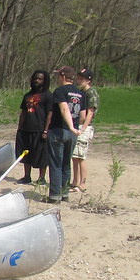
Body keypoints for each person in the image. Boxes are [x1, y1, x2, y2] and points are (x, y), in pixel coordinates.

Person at [43, 66, 86, 203]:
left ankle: (54, 196)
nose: (57, 78)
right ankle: (64, 193)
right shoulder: (80, 93)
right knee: (66, 164)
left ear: (63, 77)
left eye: (58, 76)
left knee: (56, 164)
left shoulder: (60, 91)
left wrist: (70, 126)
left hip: (58, 130)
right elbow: (82, 116)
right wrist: (75, 127)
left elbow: (64, 109)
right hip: (72, 134)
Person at [14, 70, 51, 185]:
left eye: (40, 79)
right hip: (26, 129)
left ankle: (41, 178)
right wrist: (20, 127)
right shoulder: (27, 95)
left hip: (40, 129)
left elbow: (50, 113)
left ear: (44, 81)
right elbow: (23, 112)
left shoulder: (48, 96)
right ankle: (27, 176)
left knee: (42, 154)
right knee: (26, 153)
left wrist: (46, 130)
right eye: (35, 78)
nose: (37, 81)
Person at [71, 67, 99, 193]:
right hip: (78, 126)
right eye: (79, 78)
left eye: (82, 78)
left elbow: (90, 113)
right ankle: (75, 182)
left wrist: (83, 128)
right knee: (75, 156)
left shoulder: (91, 93)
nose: (79, 80)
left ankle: (82, 183)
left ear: (88, 80)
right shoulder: (80, 92)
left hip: (85, 127)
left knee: (81, 156)